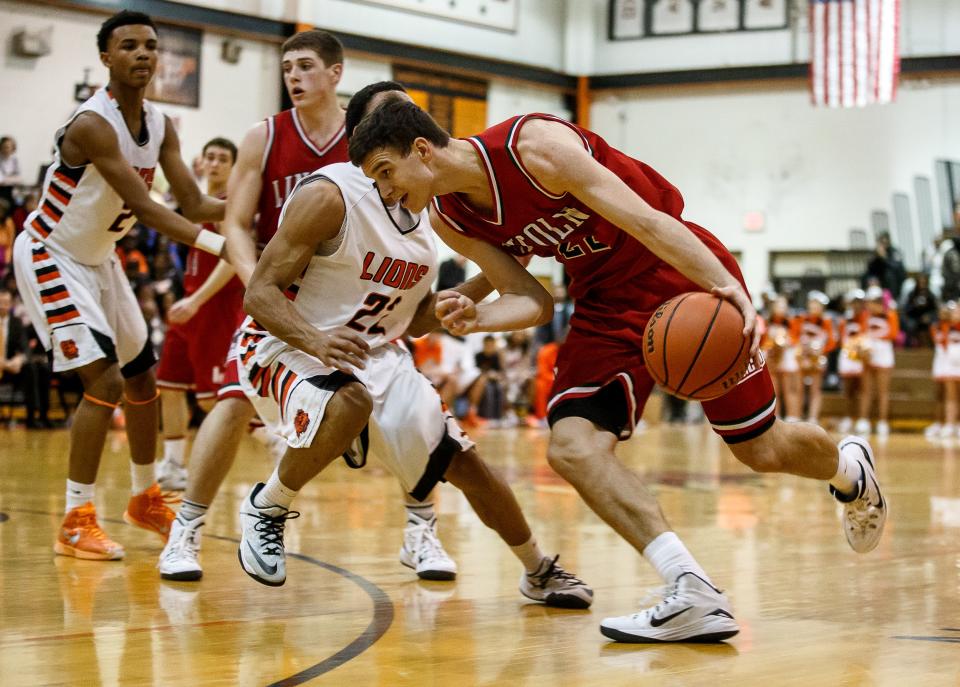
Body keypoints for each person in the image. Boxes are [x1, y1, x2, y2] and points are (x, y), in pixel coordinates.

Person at [348, 85, 888, 643]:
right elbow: (534, 300)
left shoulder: (535, 148)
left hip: (674, 275)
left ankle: (848, 470)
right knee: (572, 446)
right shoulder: (451, 219)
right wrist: (476, 317)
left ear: (422, 150)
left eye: (386, 173)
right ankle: (692, 589)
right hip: (604, 303)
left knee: (761, 448)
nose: (387, 192)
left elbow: (650, 223)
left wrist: (728, 286)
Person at [157, 30, 455, 582]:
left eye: (305, 67)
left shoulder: (369, 141)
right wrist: (256, 283)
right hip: (278, 296)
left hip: (351, 297)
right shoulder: (265, 136)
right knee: (230, 400)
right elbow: (236, 223)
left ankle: (421, 529)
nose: (293, 77)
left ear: (336, 75)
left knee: (408, 410)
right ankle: (186, 534)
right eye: (286, 67)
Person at [233, 155, 593, 607]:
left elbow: (417, 318)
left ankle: (537, 570)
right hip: (291, 343)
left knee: (465, 463)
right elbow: (259, 294)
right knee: (349, 404)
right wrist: (317, 341)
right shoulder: (331, 194)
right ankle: (269, 504)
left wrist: (484, 283)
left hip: (375, 351)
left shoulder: (422, 223)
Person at [11, 10, 229, 561]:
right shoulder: (93, 124)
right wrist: (228, 246)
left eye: (150, 46)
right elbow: (146, 209)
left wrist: (261, 217)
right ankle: (76, 518)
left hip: (100, 257)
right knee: (104, 379)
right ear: (106, 57)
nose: (142, 54)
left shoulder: (162, 125)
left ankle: (144, 497)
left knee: (142, 378)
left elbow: (197, 204)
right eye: (129, 45)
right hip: (50, 253)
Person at [154, 137, 242, 490]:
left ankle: (272, 437)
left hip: (213, 307)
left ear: (234, 167)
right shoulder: (196, 205)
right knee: (169, 384)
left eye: (224, 158)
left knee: (211, 398)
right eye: (211, 157)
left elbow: (234, 258)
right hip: (189, 305)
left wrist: (198, 301)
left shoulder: (228, 205)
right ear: (200, 163)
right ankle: (173, 464)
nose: (216, 163)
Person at [856, 285, 899, 437]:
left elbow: (893, 333)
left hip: (884, 354)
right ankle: (863, 420)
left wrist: (876, 339)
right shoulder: (865, 316)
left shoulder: (891, 315)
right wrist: (863, 347)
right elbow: (861, 333)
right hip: (869, 354)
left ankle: (882, 421)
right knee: (866, 390)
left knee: (883, 391)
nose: (870, 305)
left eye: (874, 302)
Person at [791, 290, 836, 424]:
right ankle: (797, 416)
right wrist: (801, 346)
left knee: (815, 389)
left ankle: (813, 418)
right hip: (802, 357)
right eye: (813, 304)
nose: (815, 307)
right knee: (798, 388)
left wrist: (821, 350)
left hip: (817, 359)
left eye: (819, 305)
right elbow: (793, 336)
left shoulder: (827, 322)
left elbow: (832, 342)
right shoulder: (800, 319)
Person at [762, 295, 800, 421]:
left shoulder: (793, 322)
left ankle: (793, 416)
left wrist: (787, 342)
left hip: (788, 358)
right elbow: (763, 341)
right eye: (778, 305)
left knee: (790, 389)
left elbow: (796, 339)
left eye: (784, 305)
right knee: (773, 390)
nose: (781, 308)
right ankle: (775, 417)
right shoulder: (766, 322)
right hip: (772, 358)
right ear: (772, 307)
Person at [836, 289, 868, 434]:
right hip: (847, 357)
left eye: (858, 302)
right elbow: (840, 338)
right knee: (847, 390)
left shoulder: (867, 319)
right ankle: (847, 418)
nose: (856, 305)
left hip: (862, 357)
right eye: (853, 302)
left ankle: (862, 419)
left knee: (862, 388)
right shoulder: (844, 319)